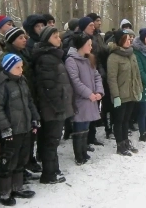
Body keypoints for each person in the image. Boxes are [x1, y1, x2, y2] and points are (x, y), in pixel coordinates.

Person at [0, 54, 40, 206]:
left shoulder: (22, 81)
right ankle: (4, 192)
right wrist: (5, 128)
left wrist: (34, 118)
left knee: (21, 159)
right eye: (17, 67)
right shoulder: (1, 84)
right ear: (8, 68)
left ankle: (17, 187)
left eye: (21, 67)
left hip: (24, 128)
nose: (21, 70)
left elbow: (29, 102)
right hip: (12, 131)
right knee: (9, 161)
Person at [32, 26, 74, 183]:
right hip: (52, 108)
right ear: (46, 39)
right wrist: (59, 106)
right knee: (51, 140)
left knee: (51, 140)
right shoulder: (46, 58)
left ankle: (53, 169)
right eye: (55, 36)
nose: (59, 38)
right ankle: (49, 174)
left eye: (58, 35)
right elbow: (48, 86)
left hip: (55, 106)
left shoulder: (52, 56)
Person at [65, 34, 104, 165]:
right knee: (79, 127)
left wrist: (99, 91)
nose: (91, 46)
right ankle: (78, 154)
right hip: (80, 100)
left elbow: (97, 76)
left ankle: (84, 151)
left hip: (91, 99)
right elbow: (75, 81)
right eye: (89, 44)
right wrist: (89, 94)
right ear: (81, 45)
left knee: (86, 126)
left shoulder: (89, 59)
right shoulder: (71, 61)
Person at [107, 29, 142, 155]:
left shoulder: (132, 54)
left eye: (130, 38)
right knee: (119, 120)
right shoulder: (113, 57)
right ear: (120, 41)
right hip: (120, 95)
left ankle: (126, 141)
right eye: (127, 39)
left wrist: (139, 90)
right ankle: (120, 144)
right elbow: (111, 78)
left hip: (131, 93)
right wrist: (115, 95)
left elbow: (137, 74)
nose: (130, 40)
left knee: (127, 120)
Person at [77, 17, 105, 147]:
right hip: (83, 88)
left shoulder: (97, 37)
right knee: (83, 118)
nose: (94, 27)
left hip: (94, 76)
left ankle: (91, 137)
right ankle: (84, 143)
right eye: (91, 25)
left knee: (93, 112)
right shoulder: (78, 40)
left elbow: (99, 58)